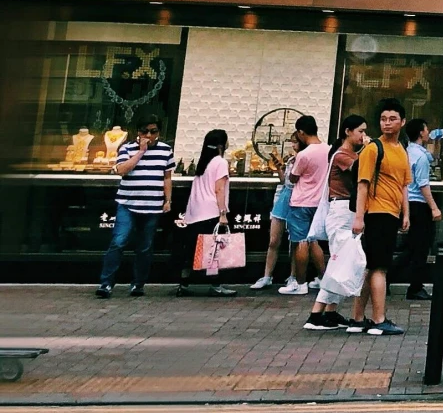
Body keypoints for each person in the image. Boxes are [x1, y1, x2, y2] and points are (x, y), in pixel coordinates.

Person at [351, 101, 412, 335]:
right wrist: (359, 217)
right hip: (376, 214)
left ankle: (358, 318)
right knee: (379, 268)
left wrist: (405, 213)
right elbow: (362, 184)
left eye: (392, 119)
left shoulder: (401, 150)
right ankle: (379, 320)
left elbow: (404, 185)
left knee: (371, 267)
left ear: (402, 122)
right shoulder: (373, 149)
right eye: (384, 119)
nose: (387, 123)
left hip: (391, 214)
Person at [97, 116, 174, 299]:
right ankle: (106, 284)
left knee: (145, 247)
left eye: (153, 131)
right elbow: (122, 170)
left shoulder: (166, 150)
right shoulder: (126, 148)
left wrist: (168, 200)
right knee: (118, 242)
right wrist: (140, 152)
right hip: (127, 204)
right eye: (144, 131)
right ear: (137, 132)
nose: (149, 135)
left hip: (152, 205)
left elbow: (167, 177)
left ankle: (138, 284)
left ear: (159, 133)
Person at [305, 118, 369, 331]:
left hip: (345, 212)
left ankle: (330, 312)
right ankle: (316, 314)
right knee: (339, 262)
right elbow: (358, 169)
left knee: (343, 261)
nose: (363, 135)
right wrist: (369, 149)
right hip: (342, 211)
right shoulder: (342, 155)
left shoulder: (347, 153)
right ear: (347, 132)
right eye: (360, 131)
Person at [173, 131, 235, 296]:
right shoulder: (220, 162)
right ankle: (216, 285)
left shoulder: (203, 162)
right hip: (211, 211)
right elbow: (219, 189)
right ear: (221, 144)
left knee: (191, 249)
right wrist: (223, 213)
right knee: (214, 250)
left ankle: (183, 284)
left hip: (195, 212)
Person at [282, 122, 330, 295]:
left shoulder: (304, 154)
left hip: (301, 201)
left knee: (301, 241)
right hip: (319, 202)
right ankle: (322, 278)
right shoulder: (328, 149)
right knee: (314, 240)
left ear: (302, 132)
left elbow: (293, 178)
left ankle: (300, 283)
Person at [250, 126, 301, 291]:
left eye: (295, 142)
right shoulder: (291, 160)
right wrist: (279, 167)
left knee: (295, 241)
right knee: (273, 240)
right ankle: (267, 276)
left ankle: (293, 276)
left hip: (298, 199)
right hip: (284, 198)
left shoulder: (303, 159)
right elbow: (284, 181)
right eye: (292, 142)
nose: (293, 145)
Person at [399, 117, 443, 301]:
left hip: (407, 203)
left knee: (411, 247)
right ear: (420, 133)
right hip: (419, 205)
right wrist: (434, 208)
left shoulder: (408, 152)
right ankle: (415, 286)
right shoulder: (421, 158)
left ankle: (387, 277)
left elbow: (432, 157)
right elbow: (423, 184)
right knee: (421, 248)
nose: (428, 132)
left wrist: (436, 143)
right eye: (426, 129)